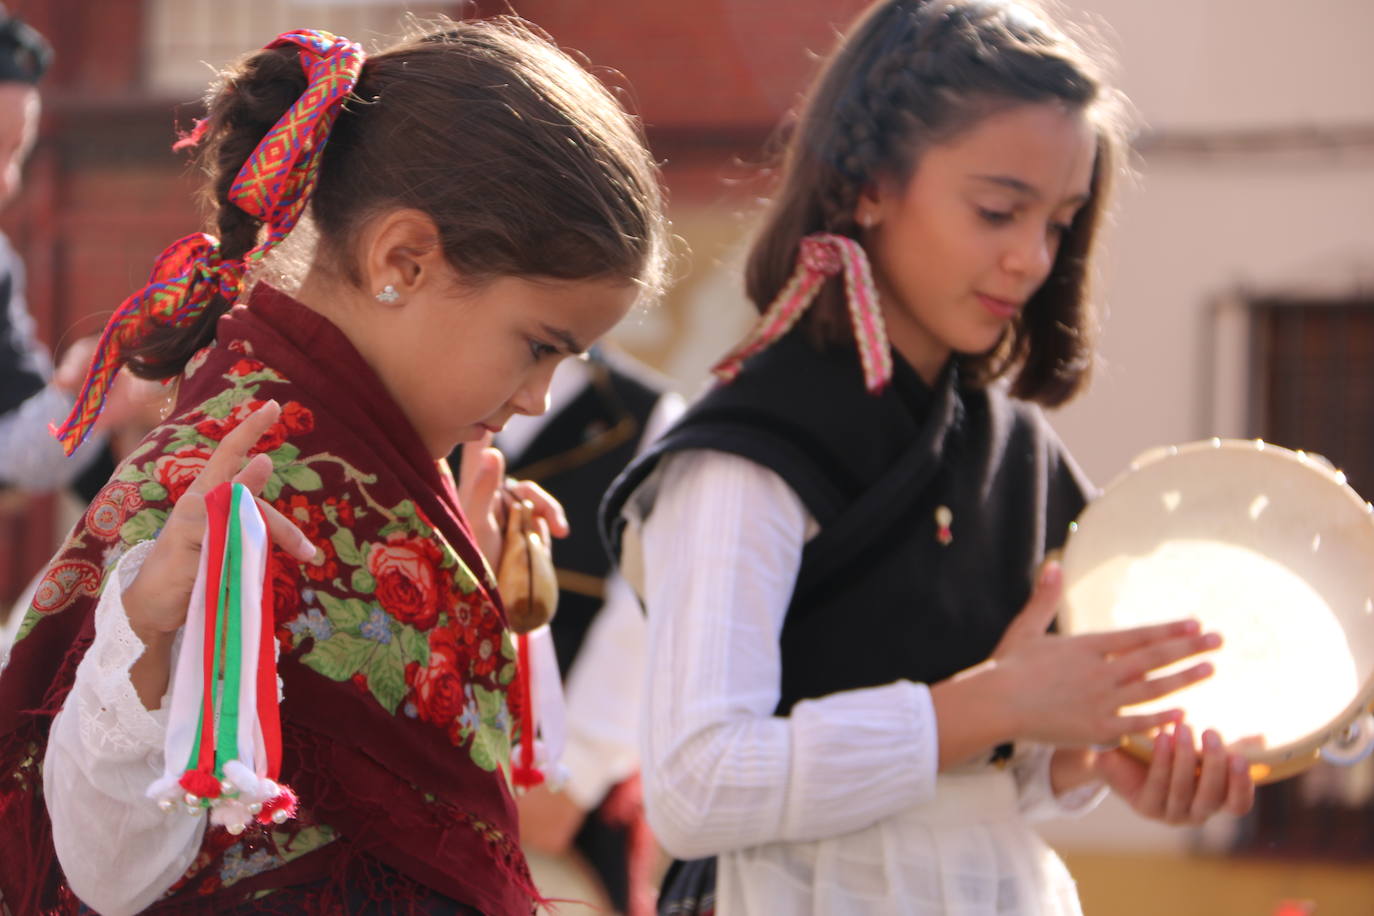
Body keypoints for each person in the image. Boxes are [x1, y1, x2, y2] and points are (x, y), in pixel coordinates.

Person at [0, 17, 666, 915]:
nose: (538, 399)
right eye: (539, 347)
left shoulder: (369, 468)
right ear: (404, 260)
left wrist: (465, 585)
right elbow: (106, 870)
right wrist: (148, 629)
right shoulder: (230, 481)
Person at [601, 1, 1255, 913]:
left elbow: (992, 778)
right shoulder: (748, 453)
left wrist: (1093, 758)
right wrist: (996, 705)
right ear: (867, 185)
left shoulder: (1015, 448)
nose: (1031, 259)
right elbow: (697, 787)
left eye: (1060, 224)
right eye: (998, 210)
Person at [453, 347, 682, 916]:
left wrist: (571, 771)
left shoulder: (649, 417)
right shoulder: (431, 369)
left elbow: (648, 612)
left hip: (548, 780)